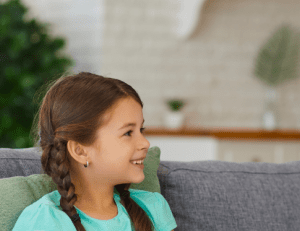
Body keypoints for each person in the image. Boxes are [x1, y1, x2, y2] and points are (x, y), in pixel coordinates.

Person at [12, 72, 177, 231]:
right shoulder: (45, 221)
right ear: (80, 151)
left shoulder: (152, 207)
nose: (145, 143)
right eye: (128, 133)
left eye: (141, 129)